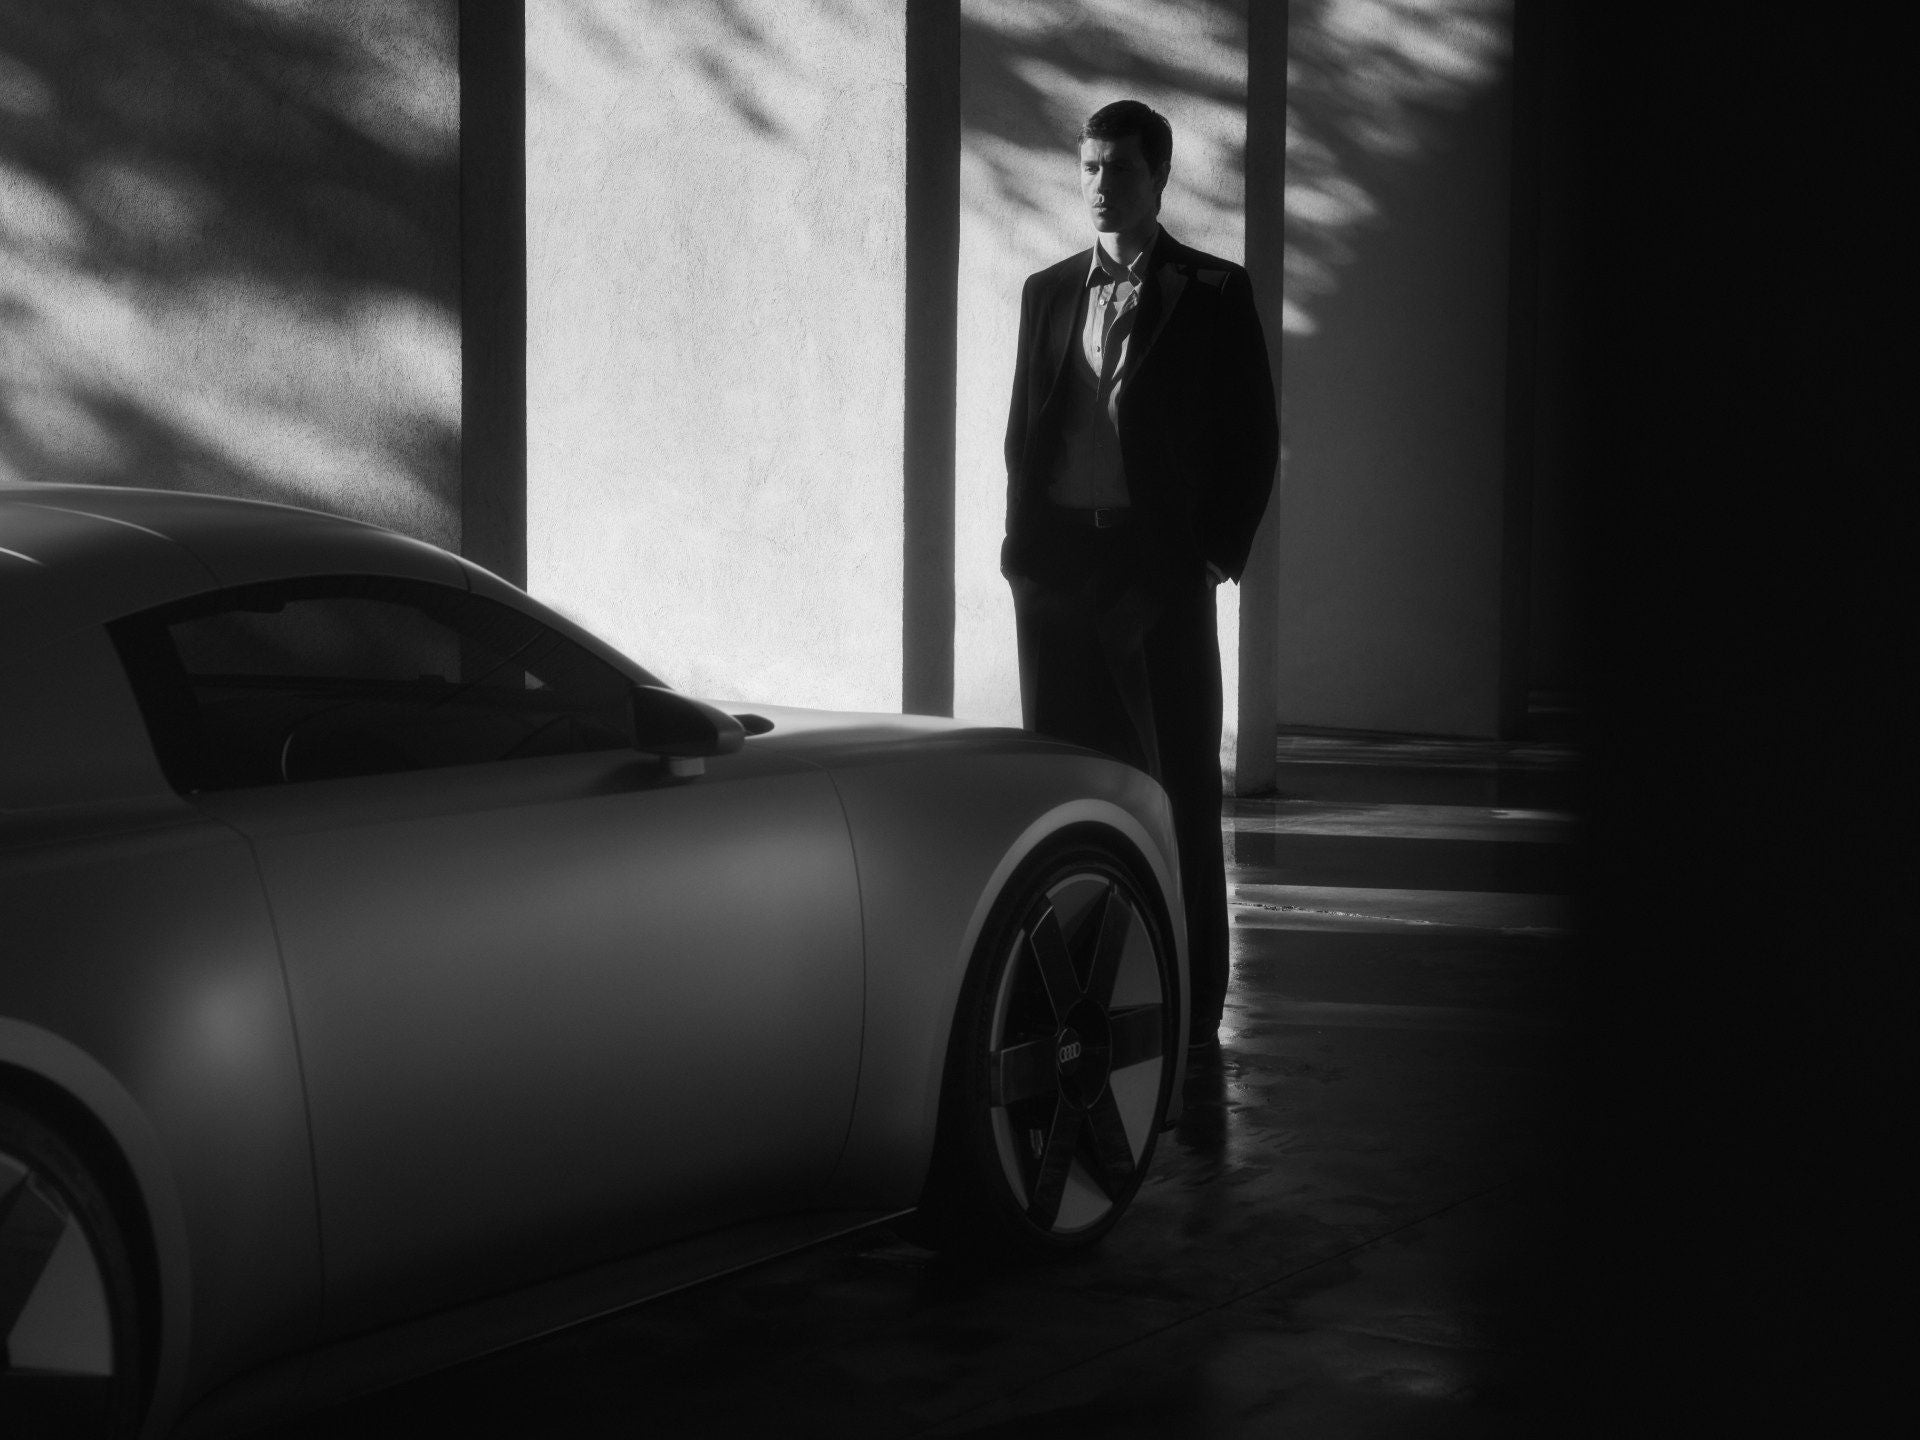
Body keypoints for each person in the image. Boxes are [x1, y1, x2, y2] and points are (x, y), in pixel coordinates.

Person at [1001, 99, 1278, 1052]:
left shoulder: (1210, 291)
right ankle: (1074, 981)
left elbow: (1254, 436)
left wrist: (1213, 552)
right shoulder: (1046, 291)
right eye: (1089, 168)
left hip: (1156, 573)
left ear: (1159, 179)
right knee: (1068, 790)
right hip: (1060, 575)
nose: (1101, 186)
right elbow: (1023, 435)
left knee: (1180, 788)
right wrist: (1022, 560)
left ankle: (1197, 1009)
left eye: (1120, 169)